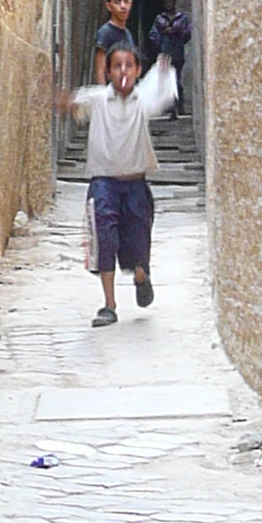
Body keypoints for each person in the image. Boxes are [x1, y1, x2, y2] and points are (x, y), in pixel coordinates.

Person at [56, 34, 174, 325]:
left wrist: (162, 72)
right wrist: (54, 98)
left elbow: (161, 92)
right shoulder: (96, 100)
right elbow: (71, 103)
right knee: (105, 239)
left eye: (129, 66)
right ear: (108, 72)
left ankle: (140, 274)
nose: (123, 72)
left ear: (136, 71)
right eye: (117, 66)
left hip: (135, 184)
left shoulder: (142, 100)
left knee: (137, 240)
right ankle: (109, 305)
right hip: (103, 184)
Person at [147, 0, 191, 106]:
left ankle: (178, 103)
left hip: (177, 51)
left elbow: (187, 33)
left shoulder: (182, 18)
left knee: (176, 78)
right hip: (165, 51)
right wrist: (162, 38)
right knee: (166, 79)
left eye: (170, 1)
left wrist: (177, 34)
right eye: (166, 2)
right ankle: (169, 105)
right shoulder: (160, 19)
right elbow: (152, 35)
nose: (169, 4)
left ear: (174, 2)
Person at [92, 0, 141, 82]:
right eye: (117, 2)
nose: (123, 6)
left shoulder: (127, 33)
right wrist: (104, 96)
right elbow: (100, 71)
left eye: (126, 1)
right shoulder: (105, 33)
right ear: (109, 6)